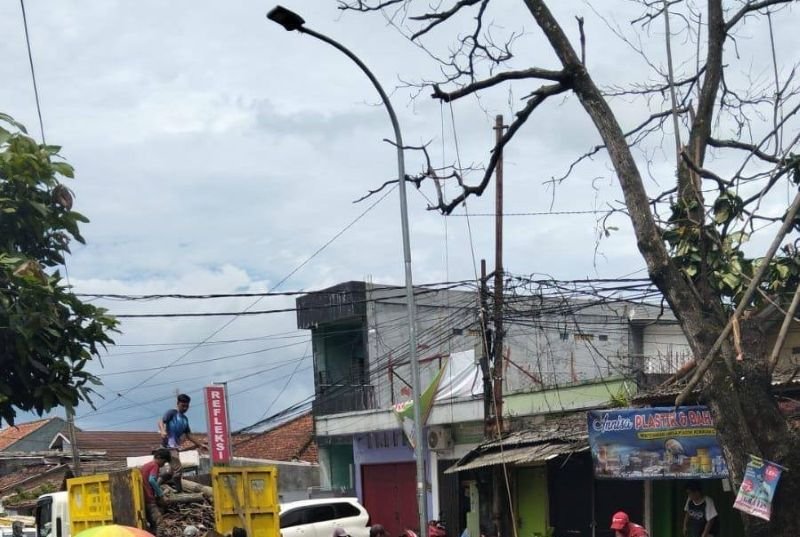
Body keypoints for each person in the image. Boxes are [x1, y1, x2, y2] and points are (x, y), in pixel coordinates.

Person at [158, 393, 203, 492]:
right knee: (178, 470)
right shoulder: (172, 413)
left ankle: (156, 485)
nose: (185, 408)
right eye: (183, 405)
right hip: (168, 447)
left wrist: (200, 444)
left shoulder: (185, 419)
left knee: (170, 472)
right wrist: (162, 430)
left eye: (187, 406)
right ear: (178, 403)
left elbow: (189, 434)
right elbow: (160, 421)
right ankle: (179, 491)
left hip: (174, 448)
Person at [141, 448, 171, 534]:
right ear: (159, 457)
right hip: (149, 500)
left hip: (144, 499)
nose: (163, 464)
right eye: (164, 461)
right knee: (160, 524)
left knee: (153, 526)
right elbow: (152, 480)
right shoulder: (155, 465)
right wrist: (161, 495)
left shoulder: (145, 465)